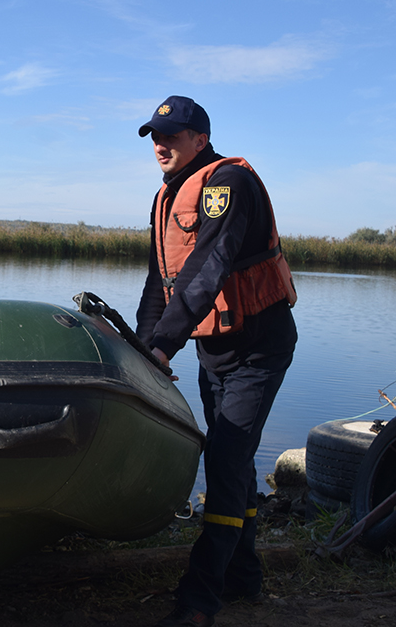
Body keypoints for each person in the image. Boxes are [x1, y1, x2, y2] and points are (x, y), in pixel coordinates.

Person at [134, 96, 297, 627]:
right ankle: (244, 578)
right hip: (215, 350)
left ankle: (200, 599)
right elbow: (163, 283)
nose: (161, 145)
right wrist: (142, 348)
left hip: (259, 348)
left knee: (225, 459)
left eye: (172, 136)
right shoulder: (169, 195)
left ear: (200, 139)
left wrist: (165, 346)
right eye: (155, 136)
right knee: (235, 460)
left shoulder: (227, 184)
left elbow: (208, 267)